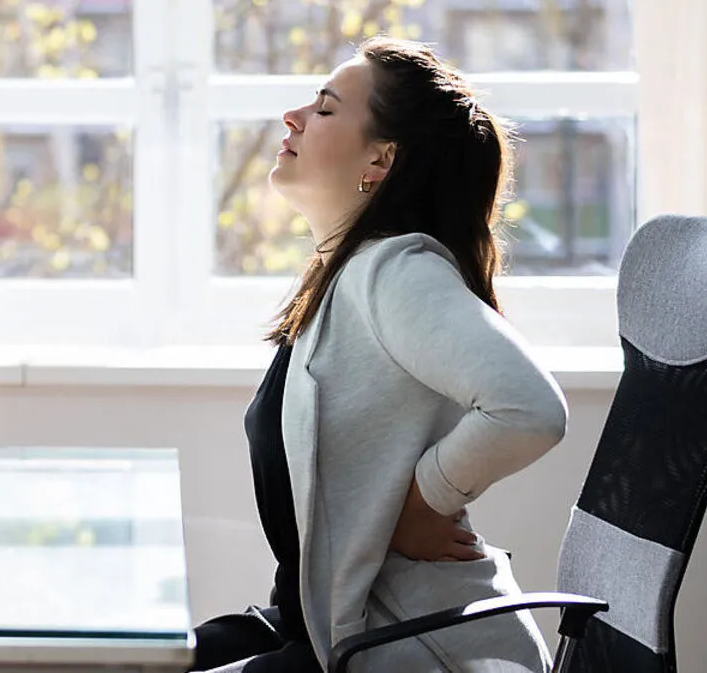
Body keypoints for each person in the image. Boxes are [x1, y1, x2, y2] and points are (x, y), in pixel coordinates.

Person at [190, 37, 569, 673]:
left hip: (402, 646)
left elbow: (531, 408)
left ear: (381, 158)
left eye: (327, 108)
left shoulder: (396, 270)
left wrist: (418, 507)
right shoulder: (344, 276)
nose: (295, 117)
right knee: (116, 657)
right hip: (312, 625)